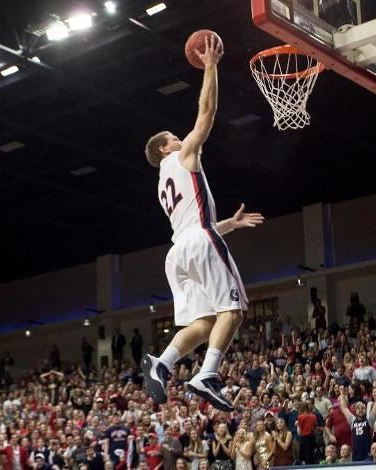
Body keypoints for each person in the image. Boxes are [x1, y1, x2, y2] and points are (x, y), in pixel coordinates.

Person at [142, 34, 264, 412]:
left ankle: (161, 363)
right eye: (174, 138)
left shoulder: (163, 179)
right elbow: (207, 113)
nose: (181, 138)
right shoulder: (182, 157)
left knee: (206, 321)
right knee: (234, 311)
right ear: (165, 148)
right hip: (198, 241)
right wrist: (210, 66)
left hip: (178, 252)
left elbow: (193, 224)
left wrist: (229, 223)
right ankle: (206, 374)